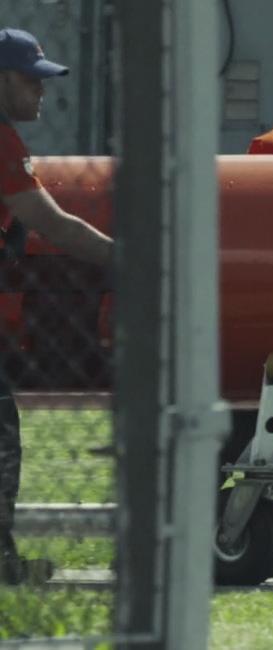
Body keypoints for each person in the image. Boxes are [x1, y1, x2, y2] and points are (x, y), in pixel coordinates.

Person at [0, 27, 112, 584]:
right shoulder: (1, 143)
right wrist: (125, 260)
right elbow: (51, 223)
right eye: (29, 81)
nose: (41, 93)